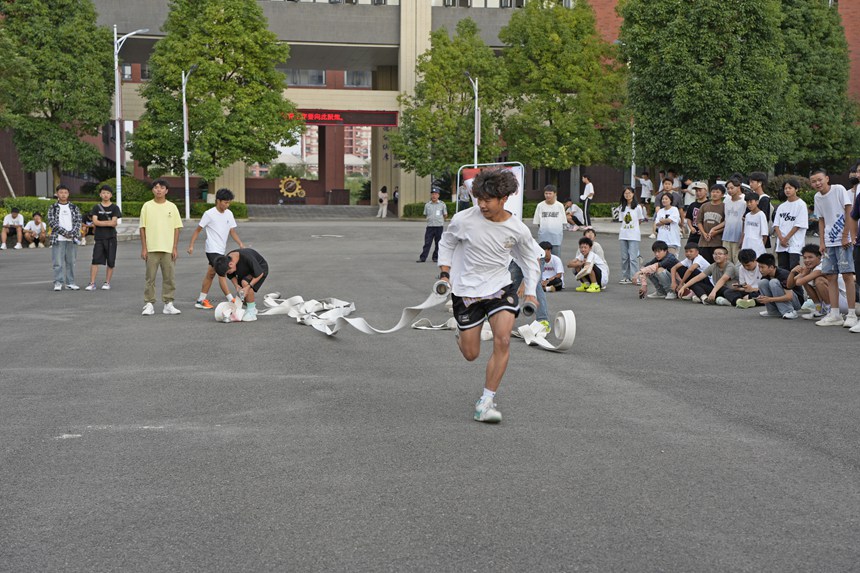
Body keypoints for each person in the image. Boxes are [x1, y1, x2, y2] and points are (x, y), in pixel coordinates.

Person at [437, 168, 540, 424]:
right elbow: (447, 242)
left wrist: (531, 291)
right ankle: (461, 334)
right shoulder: (464, 219)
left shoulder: (517, 229)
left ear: (504, 198)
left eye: (487, 200)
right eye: (479, 199)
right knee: (471, 354)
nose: (481, 205)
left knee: (503, 339)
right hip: (467, 291)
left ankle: (486, 400)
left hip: (499, 288)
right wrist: (445, 272)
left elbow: (530, 259)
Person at [810, 168, 857, 328]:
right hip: (829, 242)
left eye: (819, 180)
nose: (817, 183)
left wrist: (846, 235)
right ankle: (835, 313)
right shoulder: (817, 197)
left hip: (844, 241)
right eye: (814, 181)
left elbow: (849, 211)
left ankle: (851, 314)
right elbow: (821, 220)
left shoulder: (838, 189)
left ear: (827, 178)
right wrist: (822, 242)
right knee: (830, 276)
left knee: (847, 275)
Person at [187, 188, 244, 308]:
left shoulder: (229, 213)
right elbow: (198, 230)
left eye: (229, 202)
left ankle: (200, 300)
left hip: (221, 249)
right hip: (212, 249)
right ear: (218, 201)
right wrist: (191, 245)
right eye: (225, 202)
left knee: (210, 274)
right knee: (222, 272)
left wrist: (240, 243)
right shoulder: (209, 214)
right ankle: (231, 300)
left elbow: (232, 231)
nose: (227, 205)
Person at [139, 179, 183, 316]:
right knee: (150, 278)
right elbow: (142, 228)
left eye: (162, 187)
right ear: (153, 190)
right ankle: (149, 303)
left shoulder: (172, 207)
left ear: (166, 191)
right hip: (152, 248)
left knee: (169, 277)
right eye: (156, 187)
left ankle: (168, 304)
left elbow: (177, 228)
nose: (158, 190)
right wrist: (144, 248)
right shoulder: (147, 206)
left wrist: (174, 248)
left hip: (168, 248)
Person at [788, 244, 848, 320]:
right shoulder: (811, 267)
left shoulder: (822, 266)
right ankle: (819, 309)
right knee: (807, 281)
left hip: (843, 302)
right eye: (805, 258)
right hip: (837, 300)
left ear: (819, 257)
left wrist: (803, 274)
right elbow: (789, 285)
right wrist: (792, 272)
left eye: (810, 257)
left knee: (819, 280)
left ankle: (830, 312)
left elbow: (798, 282)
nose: (807, 260)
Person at [213, 248, 269, 323]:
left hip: (260, 269)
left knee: (245, 283)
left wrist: (248, 287)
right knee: (243, 294)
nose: (228, 274)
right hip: (245, 271)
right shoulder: (227, 260)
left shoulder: (247, 257)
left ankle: (252, 312)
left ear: (231, 264)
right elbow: (232, 276)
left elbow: (259, 274)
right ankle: (252, 307)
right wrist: (236, 286)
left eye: (228, 272)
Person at [85, 185, 123, 291]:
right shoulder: (96, 207)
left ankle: (107, 282)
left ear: (111, 195)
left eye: (107, 193)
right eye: (103, 193)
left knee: (111, 261)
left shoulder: (115, 208)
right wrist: (108, 222)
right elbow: (95, 222)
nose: (105, 195)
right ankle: (92, 283)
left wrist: (103, 223)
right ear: (100, 194)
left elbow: (114, 223)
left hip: (111, 238)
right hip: (99, 238)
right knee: (95, 260)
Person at [47, 185, 82, 291]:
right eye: (61, 192)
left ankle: (70, 282)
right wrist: (64, 233)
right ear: (57, 194)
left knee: (71, 262)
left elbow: (78, 221)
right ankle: (58, 282)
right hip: (58, 239)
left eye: (65, 192)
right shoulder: (52, 208)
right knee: (57, 262)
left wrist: (71, 233)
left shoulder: (74, 207)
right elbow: (52, 222)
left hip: (72, 239)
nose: (63, 194)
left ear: (68, 194)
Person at [773, 178, 808, 271]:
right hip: (782, 244)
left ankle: (794, 286)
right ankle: (784, 285)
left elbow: (798, 225)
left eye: (790, 188)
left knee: (794, 269)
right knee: (782, 268)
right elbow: (776, 224)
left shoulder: (801, 205)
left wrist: (786, 238)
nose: (787, 190)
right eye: (785, 188)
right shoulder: (781, 206)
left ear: (796, 189)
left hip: (794, 243)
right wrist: (781, 238)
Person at [756, 253, 804, 319]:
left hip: (796, 302)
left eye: (762, 267)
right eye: (759, 267)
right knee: (762, 283)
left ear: (771, 267)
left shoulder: (783, 275)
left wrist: (769, 299)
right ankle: (773, 311)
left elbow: (789, 296)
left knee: (773, 282)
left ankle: (789, 311)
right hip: (788, 299)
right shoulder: (766, 275)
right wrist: (761, 298)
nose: (760, 270)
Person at [618, 186, 645, 284]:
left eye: (629, 193)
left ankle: (635, 277)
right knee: (624, 257)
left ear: (633, 194)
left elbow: (639, 220)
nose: (627, 195)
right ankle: (626, 277)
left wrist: (634, 228)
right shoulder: (622, 207)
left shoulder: (637, 207)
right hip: (623, 235)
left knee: (633, 258)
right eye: (625, 193)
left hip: (634, 235)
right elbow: (622, 221)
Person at [532, 184, 567, 257]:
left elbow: (563, 222)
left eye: (550, 193)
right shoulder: (540, 206)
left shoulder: (560, 206)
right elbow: (538, 223)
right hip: (543, 238)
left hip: (556, 238)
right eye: (546, 193)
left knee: (556, 258)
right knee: (542, 258)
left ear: (555, 194)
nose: (548, 195)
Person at [696, 184, 726, 263]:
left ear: (722, 194)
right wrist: (703, 233)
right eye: (713, 192)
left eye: (717, 192)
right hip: (703, 242)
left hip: (717, 242)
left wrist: (716, 232)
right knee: (703, 265)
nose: (714, 194)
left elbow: (727, 224)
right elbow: (699, 221)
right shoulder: (704, 206)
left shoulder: (724, 206)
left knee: (716, 264)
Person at [416, 188, 447, 263]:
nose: (434, 196)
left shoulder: (442, 204)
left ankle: (435, 257)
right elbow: (425, 214)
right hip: (430, 227)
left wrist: (440, 220)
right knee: (427, 243)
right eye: (433, 194)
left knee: (438, 243)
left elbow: (445, 214)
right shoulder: (427, 205)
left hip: (439, 227)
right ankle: (423, 258)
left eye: (436, 194)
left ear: (438, 195)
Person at [722, 176, 746, 263]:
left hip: (738, 236)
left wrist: (742, 238)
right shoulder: (726, 203)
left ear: (738, 187)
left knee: (737, 261)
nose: (730, 190)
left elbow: (744, 222)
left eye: (732, 188)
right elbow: (726, 220)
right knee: (726, 261)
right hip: (726, 236)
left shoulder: (744, 203)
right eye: (728, 188)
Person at [748, 172, 772, 250]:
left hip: (759, 234)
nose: (750, 184)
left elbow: (764, 218)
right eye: (749, 182)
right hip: (750, 232)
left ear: (759, 183)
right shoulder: (751, 197)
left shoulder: (764, 199)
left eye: (752, 182)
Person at [739, 193, 768, 258]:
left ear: (757, 202)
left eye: (751, 202)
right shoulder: (747, 215)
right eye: (747, 202)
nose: (749, 204)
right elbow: (745, 231)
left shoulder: (761, 215)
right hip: (746, 245)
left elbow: (765, 235)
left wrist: (761, 248)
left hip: (757, 247)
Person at [684, 181, 708, 248]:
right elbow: (689, 218)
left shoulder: (709, 204)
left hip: (704, 234)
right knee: (690, 251)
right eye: (696, 191)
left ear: (706, 191)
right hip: (694, 234)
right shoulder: (692, 205)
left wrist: (704, 230)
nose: (698, 193)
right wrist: (691, 227)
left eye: (700, 190)